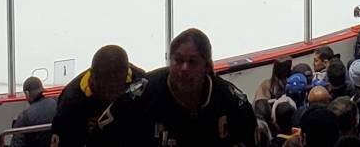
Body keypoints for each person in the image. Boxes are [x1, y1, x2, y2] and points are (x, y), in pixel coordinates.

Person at [109, 30, 254, 147]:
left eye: (192, 62)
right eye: (178, 60)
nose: (184, 69)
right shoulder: (140, 96)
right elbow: (101, 136)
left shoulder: (234, 103)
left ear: (207, 67)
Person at [49, 46, 138, 147]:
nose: (113, 96)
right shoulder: (70, 103)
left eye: (118, 89)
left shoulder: (139, 81)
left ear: (126, 76)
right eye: (106, 89)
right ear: (92, 79)